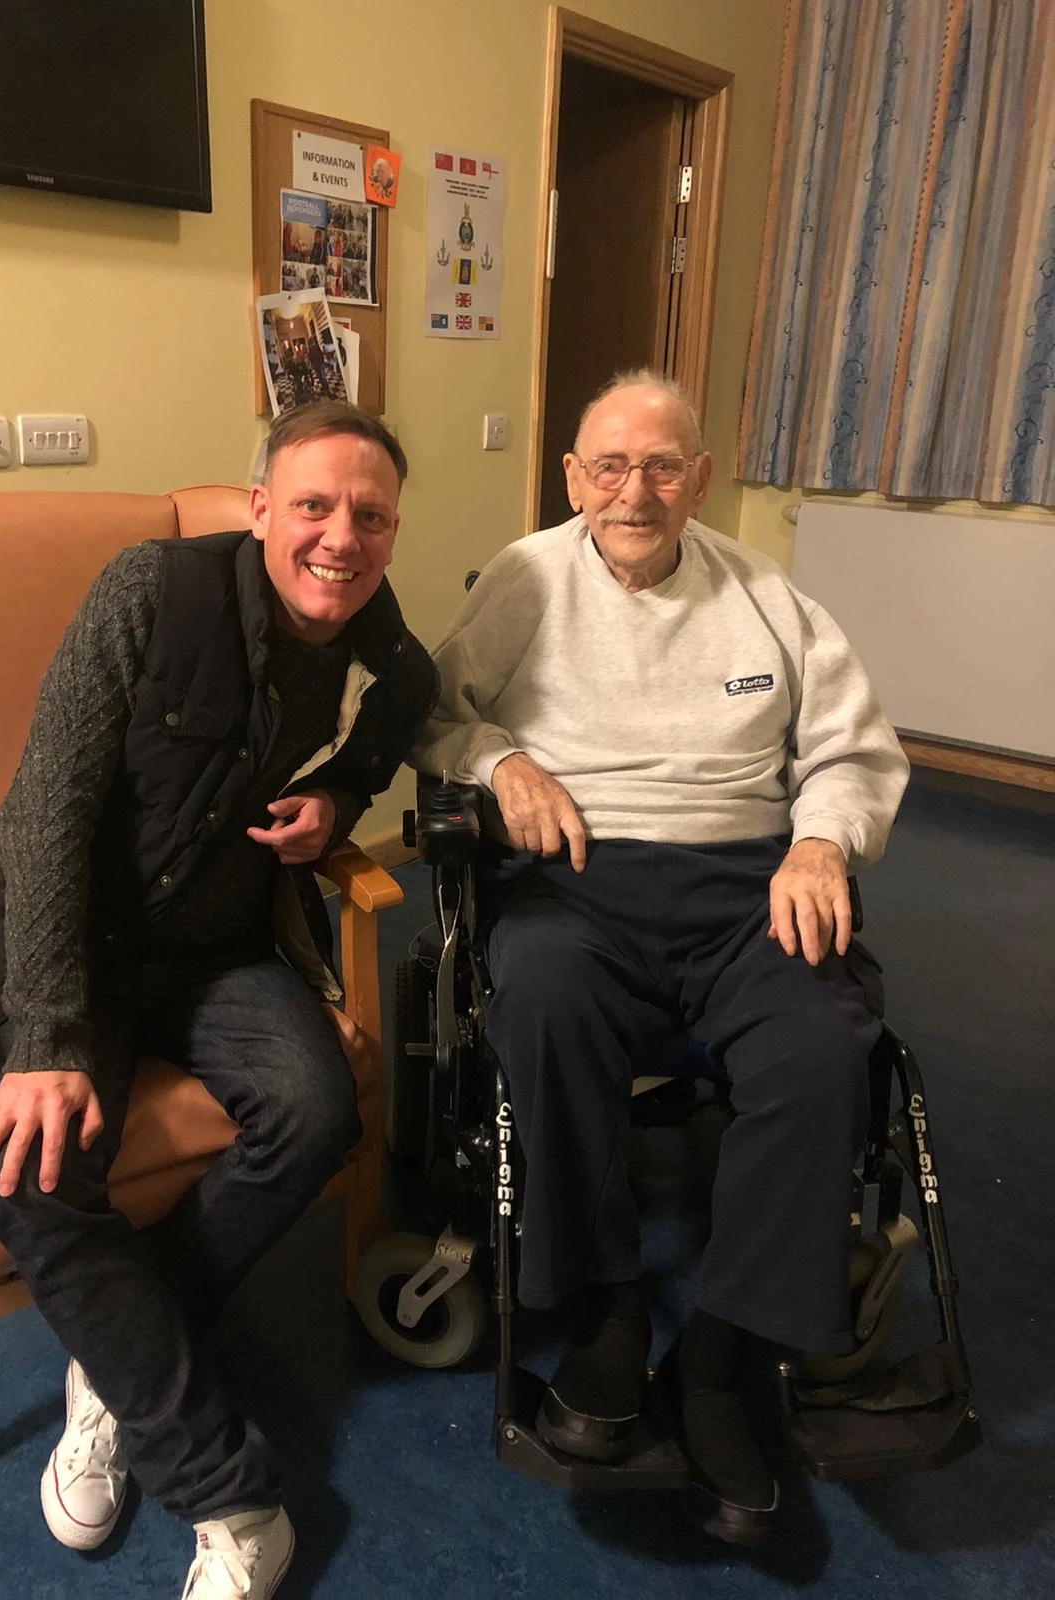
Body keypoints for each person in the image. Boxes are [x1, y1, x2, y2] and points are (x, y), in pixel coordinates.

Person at [413, 371, 909, 1546]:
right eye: (610, 466)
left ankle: (724, 1358)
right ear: (574, 476)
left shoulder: (767, 595)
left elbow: (851, 746)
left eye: (664, 465)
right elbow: (430, 715)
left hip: (753, 886)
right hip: (579, 880)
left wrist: (824, 842)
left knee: (822, 1039)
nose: (636, 491)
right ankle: (607, 1310)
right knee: (537, 993)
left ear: (700, 473)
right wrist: (498, 764)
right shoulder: (527, 579)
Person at [0, 402, 436, 1599]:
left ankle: (122, 1356)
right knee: (26, 1165)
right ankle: (231, 1493)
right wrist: (50, 1034)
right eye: (314, 506)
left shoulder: (361, 617)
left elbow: (414, 685)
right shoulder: (147, 591)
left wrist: (343, 792)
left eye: (369, 515)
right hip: (69, 944)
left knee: (317, 1108)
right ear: (260, 506)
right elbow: (44, 812)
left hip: (219, 945)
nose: (341, 536)